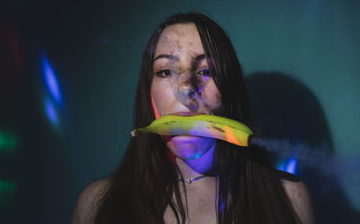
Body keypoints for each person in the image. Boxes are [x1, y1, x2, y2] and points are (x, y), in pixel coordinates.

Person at [72, 12, 316, 224]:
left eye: (206, 71)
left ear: (230, 90)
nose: (187, 87)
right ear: (148, 94)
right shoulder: (97, 204)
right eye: (165, 71)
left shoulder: (289, 198)